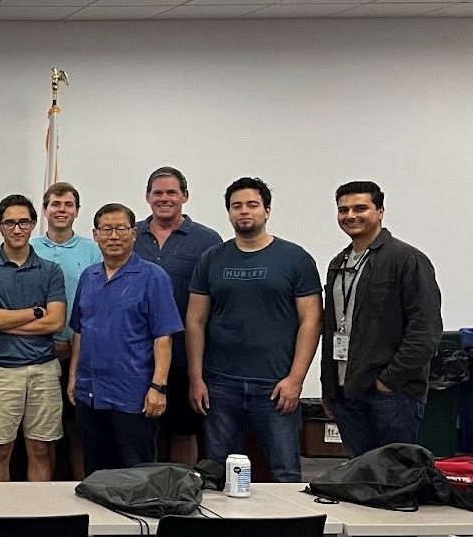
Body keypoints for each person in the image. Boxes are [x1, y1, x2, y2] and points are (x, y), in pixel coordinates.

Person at [187, 177, 321, 482]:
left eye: (252, 205)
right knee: (217, 474)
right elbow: (195, 321)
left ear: (267, 211)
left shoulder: (295, 258)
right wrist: (196, 379)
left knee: (285, 472)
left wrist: (296, 380)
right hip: (220, 385)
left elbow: (312, 321)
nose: (244, 211)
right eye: (236, 206)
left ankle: (288, 530)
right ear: (229, 213)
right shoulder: (211, 259)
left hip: (275, 387)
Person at [321, 181, 442, 458]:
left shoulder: (407, 258)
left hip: (391, 394)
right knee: (360, 476)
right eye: (343, 210)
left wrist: (389, 381)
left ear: (380, 211)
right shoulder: (338, 263)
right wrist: (329, 387)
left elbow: (425, 330)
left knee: (395, 478)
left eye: (360, 208)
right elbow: (331, 329)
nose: (351, 215)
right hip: (346, 392)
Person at [66, 204, 181, 472]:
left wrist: (158, 388)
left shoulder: (153, 277)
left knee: (136, 474)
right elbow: (80, 330)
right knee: (96, 472)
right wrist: (73, 378)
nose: (114, 236)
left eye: (121, 229)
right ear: (95, 235)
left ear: (134, 233)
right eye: (106, 229)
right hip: (90, 393)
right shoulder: (89, 276)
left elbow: (163, 336)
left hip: (133, 395)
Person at [0, 195, 66, 482]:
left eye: (23, 222)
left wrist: (5, 320)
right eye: (9, 223)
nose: (17, 229)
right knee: (0, 450)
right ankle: (0, 522)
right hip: (1, 370)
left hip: (44, 370)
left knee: (39, 449)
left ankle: (37, 523)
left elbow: (56, 321)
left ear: (33, 224)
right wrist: (36, 312)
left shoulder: (50, 270)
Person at [134, 167, 222, 466]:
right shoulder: (131, 235)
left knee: (184, 432)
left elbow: (217, 297)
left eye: (172, 192)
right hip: (139, 355)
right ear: (147, 197)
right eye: (157, 192)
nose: (164, 198)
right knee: (142, 431)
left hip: (187, 355)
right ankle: (146, 494)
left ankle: (182, 495)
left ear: (184, 195)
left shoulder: (208, 240)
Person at [30, 182, 102, 478]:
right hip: (34, 353)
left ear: (77, 211)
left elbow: (98, 304)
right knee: (40, 435)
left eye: (68, 205)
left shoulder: (93, 250)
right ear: (45, 210)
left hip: (79, 353)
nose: (62, 210)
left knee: (78, 430)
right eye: (55, 204)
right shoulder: (29, 247)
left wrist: (74, 345)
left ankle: (81, 487)